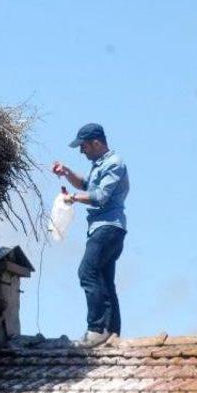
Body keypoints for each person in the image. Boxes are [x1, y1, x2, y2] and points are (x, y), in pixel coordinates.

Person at [52, 123, 129, 347]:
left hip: (108, 227)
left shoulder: (114, 163)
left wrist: (74, 198)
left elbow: (99, 196)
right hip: (104, 227)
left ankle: (96, 329)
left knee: (87, 272)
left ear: (96, 142)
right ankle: (112, 331)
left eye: (83, 146)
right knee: (105, 278)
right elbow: (86, 184)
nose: (81, 151)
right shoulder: (99, 165)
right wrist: (67, 173)